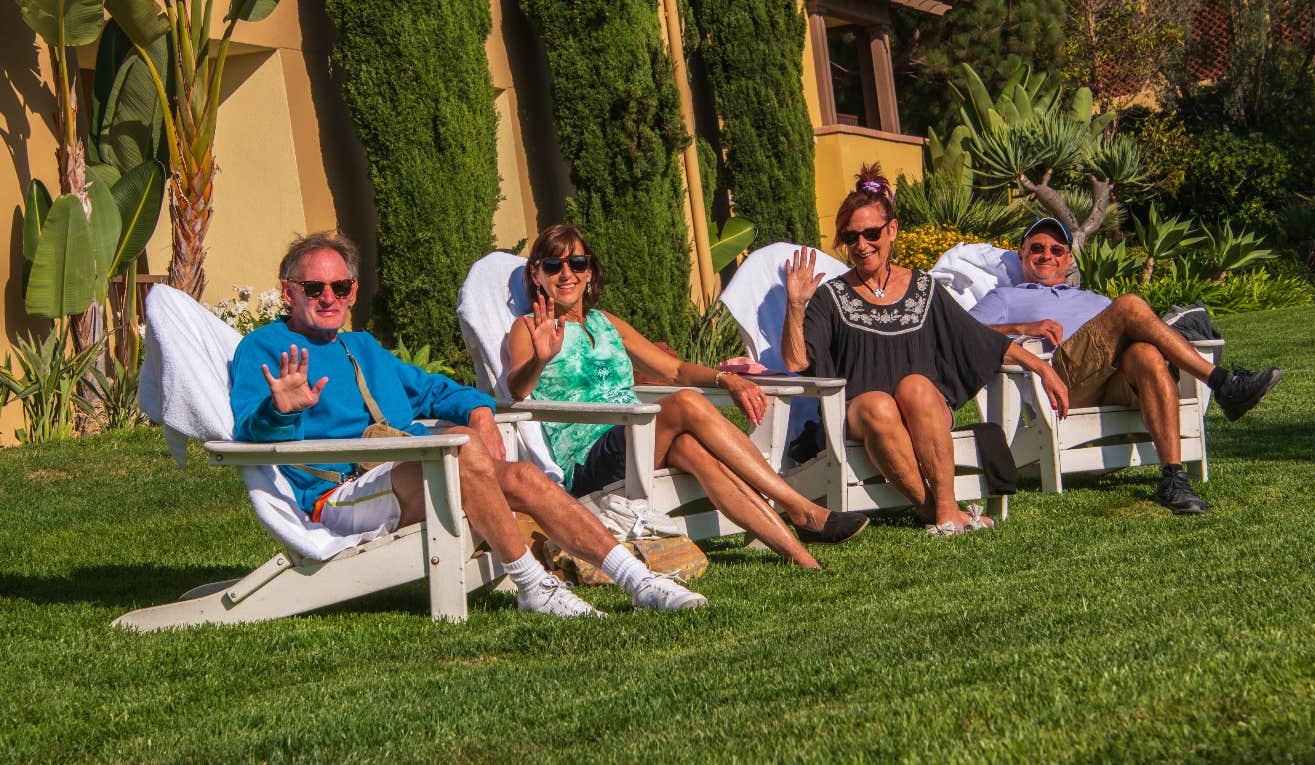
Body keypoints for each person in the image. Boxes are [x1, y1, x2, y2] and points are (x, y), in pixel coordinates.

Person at [229, 231, 708, 617]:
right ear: (289, 291)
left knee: (521, 476)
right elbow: (250, 435)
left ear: (353, 291)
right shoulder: (265, 350)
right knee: (458, 452)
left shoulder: (363, 348)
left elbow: (436, 389)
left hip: (414, 464)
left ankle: (638, 580)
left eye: (341, 287)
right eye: (315, 288)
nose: (329, 297)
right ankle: (530, 583)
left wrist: (479, 409)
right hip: (341, 490)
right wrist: (281, 410)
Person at [506, 224, 868, 570]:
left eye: (577, 263)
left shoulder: (605, 323)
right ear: (537, 274)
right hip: (589, 459)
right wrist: (540, 358)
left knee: (694, 452)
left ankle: (800, 554)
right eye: (553, 265)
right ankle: (798, 506)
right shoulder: (527, 328)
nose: (566, 273)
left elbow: (674, 370)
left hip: (640, 438)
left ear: (589, 273)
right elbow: (517, 390)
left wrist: (724, 378)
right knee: (684, 402)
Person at [781, 164, 1069, 536]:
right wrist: (795, 306)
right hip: (860, 416)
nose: (862, 245)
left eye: (871, 233)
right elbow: (796, 361)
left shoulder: (922, 287)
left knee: (914, 385)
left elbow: (977, 337)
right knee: (879, 403)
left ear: (892, 230)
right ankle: (936, 510)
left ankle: (945, 511)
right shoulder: (830, 298)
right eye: (851, 238)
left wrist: (1042, 369)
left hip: (924, 408)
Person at [969, 217, 1283, 515]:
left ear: (1067, 261)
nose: (1046, 255)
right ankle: (1224, 383)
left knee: (1146, 353)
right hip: (1059, 382)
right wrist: (1024, 327)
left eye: (1056, 250)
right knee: (1129, 304)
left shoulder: (1094, 300)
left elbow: (1138, 328)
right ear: (1021, 254)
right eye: (1037, 248)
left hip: (1113, 382)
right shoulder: (1005, 297)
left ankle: (1173, 479)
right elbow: (960, 334)